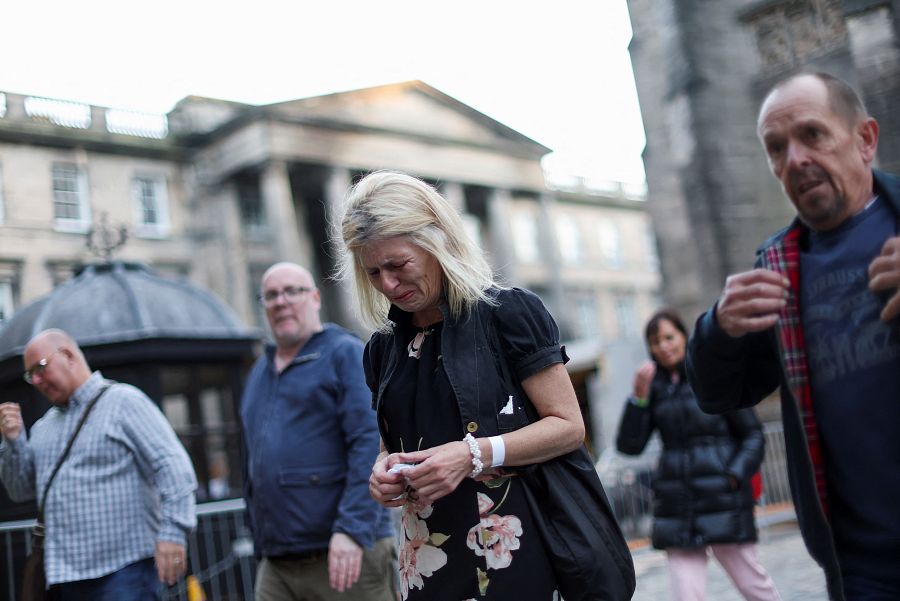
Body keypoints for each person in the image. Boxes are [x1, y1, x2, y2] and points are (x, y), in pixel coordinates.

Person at [685, 72, 900, 601]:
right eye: (776, 148)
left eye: (812, 134)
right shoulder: (777, 266)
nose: (795, 159)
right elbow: (718, 394)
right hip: (862, 567)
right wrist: (720, 328)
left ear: (865, 139)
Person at [336, 171, 588, 601]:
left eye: (398, 265)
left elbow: (568, 426)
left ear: (438, 241)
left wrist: (471, 454)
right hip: (427, 562)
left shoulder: (508, 313)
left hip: (516, 553)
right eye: (372, 271)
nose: (387, 285)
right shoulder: (381, 349)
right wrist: (381, 474)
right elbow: (391, 446)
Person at [0, 329, 197, 600]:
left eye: (41, 368)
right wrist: (13, 444)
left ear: (68, 355)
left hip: (124, 571)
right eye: (29, 375)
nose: (35, 380)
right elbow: (20, 490)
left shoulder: (124, 401)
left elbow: (172, 465)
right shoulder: (44, 428)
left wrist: (173, 532)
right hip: (65, 577)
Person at [240, 262, 395, 601]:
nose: (280, 301)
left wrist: (352, 529)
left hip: (344, 548)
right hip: (277, 559)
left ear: (314, 298)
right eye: (270, 295)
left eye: (291, 292)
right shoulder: (259, 373)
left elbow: (370, 442)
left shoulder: (344, 353)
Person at [616, 310, 780, 601]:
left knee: (756, 588)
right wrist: (638, 399)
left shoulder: (713, 374)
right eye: (655, 341)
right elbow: (630, 446)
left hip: (723, 501)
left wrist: (733, 475)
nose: (663, 346)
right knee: (686, 596)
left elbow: (752, 435)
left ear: (684, 336)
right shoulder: (654, 387)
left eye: (669, 337)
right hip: (678, 506)